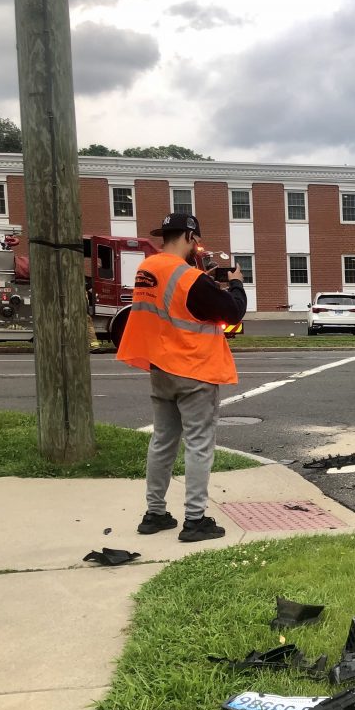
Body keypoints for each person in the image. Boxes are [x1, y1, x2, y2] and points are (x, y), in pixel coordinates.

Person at [116, 212, 246, 543]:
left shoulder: (147, 270)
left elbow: (177, 303)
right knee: (199, 444)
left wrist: (205, 278)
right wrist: (236, 283)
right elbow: (232, 311)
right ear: (189, 237)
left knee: (163, 441)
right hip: (193, 370)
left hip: (160, 368)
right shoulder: (189, 277)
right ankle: (195, 520)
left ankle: (155, 513)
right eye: (196, 242)